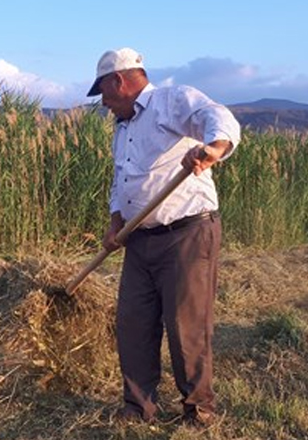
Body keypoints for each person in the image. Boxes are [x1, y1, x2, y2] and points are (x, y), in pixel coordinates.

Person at [86, 47, 241, 428]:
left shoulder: (170, 101)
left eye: (103, 93)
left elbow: (217, 117)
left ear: (118, 81)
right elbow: (121, 180)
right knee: (133, 324)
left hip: (186, 234)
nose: (104, 103)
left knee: (186, 325)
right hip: (139, 240)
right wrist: (115, 222)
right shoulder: (123, 130)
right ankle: (138, 407)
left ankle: (198, 410)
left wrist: (212, 149)